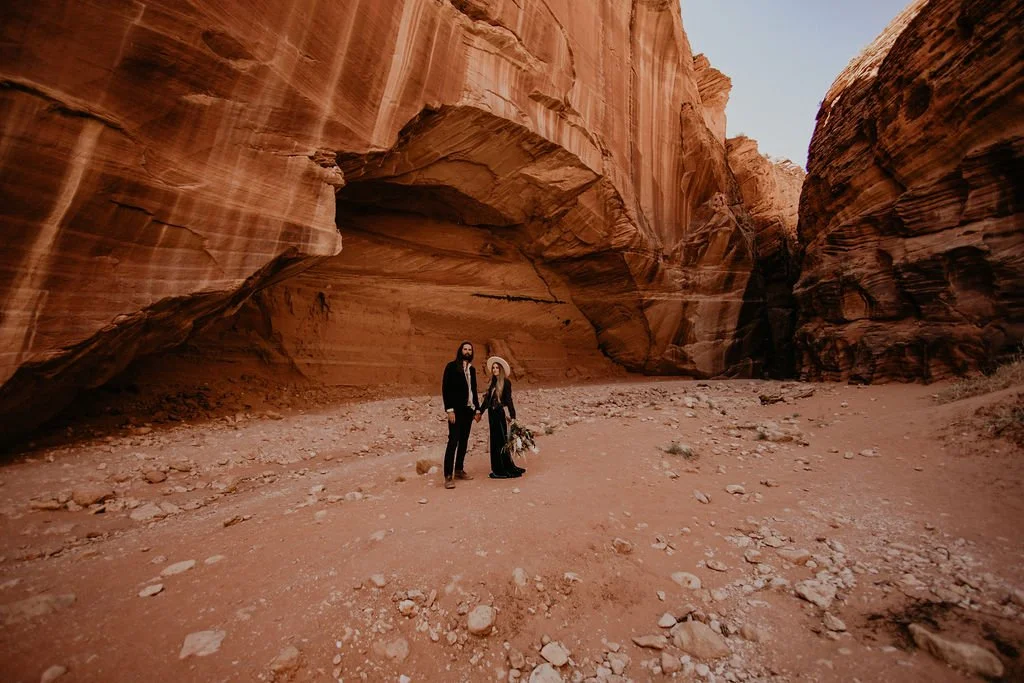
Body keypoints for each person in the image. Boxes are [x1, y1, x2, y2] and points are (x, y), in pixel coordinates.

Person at [441, 341, 482, 489]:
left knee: (464, 441)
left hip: (468, 410)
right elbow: (446, 388)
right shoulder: (451, 367)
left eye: (470, 349)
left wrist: (477, 409)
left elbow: (474, 390)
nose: (467, 351)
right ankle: (448, 475)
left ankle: (459, 469)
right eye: (465, 349)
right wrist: (449, 409)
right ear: (460, 350)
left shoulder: (472, 370)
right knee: (453, 441)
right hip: (456, 411)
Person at [479, 356, 525, 479]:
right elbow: (487, 400)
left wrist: (513, 416)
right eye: (493, 368)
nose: (494, 370)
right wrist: (479, 412)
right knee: (495, 441)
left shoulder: (506, 382)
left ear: (501, 370)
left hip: (499, 414)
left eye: (497, 368)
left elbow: (509, 400)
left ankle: (502, 468)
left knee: (501, 441)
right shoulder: (492, 383)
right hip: (492, 415)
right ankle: (499, 467)